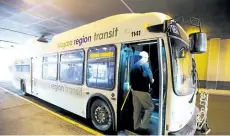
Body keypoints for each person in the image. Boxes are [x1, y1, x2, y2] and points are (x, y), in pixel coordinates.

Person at [130, 51, 154, 132]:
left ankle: (136, 127)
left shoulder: (133, 66)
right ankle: (143, 126)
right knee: (150, 108)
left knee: (137, 110)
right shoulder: (144, 65)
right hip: (143, 91)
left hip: (134, 91)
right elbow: (150, 79)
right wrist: (152, 80)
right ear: (146, 57)